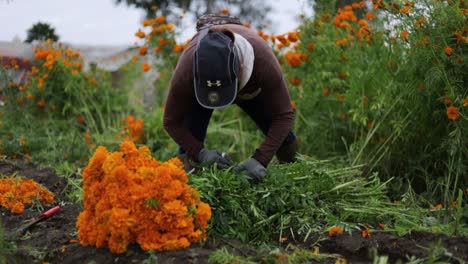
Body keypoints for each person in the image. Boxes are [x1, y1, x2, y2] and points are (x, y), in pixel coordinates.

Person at [163, 14, 298, 183]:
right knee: (188, 153)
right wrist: (200, 153)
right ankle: (190, 197)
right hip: (202, 90)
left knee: (284, 139)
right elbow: (170, 121)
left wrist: (260, 159)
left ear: (240, 69)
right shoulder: (186, 70)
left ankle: (294, 179)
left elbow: (283, 116)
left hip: (250, 88)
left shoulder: (262, 62)